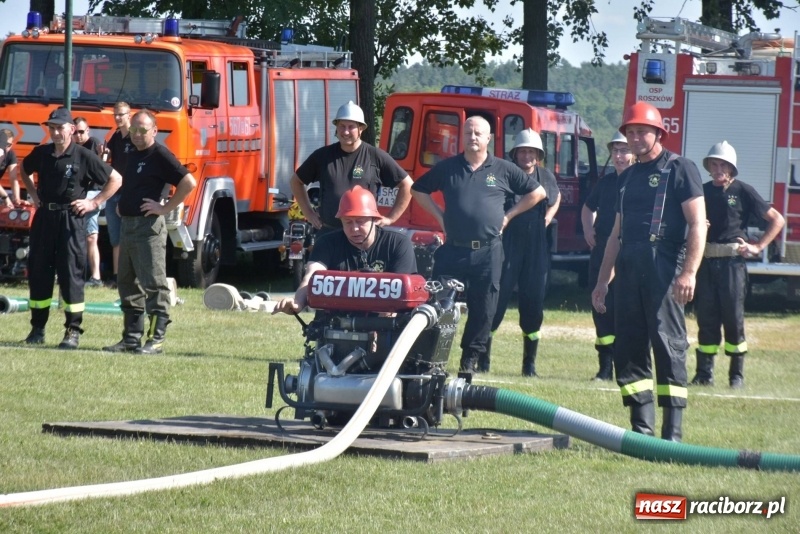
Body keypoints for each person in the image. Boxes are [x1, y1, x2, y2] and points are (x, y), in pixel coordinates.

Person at [591, 102, 706, 442]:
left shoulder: (680, 169)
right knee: (629, 346)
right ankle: (641, 428)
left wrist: (689, 273)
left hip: (664, 266)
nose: (636, 137)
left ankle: (672, 433)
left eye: (642, 131)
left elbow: (698, 222)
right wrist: (601, 281)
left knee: (668, 346)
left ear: (658, 133)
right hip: (629, 267)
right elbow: (615, 234)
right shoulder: (626, 178)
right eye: (631, 132)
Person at [411, 116, 546, 374]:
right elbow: (418, 190)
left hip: (488, 251)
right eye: (468, 133)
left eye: (478, 133)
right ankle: (429, 360)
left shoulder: (503, 169)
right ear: (462, 137)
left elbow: (538, 193)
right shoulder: (448, 167)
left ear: (488, 139)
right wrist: (440, 217)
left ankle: (469, 362)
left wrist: (508, 216)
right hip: (453, 250)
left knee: (484, 310)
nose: (472, 137)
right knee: (438, 306)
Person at [19, 107, 122, 349]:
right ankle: (37, 329)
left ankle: (72, 331)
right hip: (45, 218)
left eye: (60, 128)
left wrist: (94, 202)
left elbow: (116, 178)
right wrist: (33, 195)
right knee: (40, 273)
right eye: (52, 128)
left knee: (71, 275)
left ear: (71, 129)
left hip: (71, 219)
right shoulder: (42, 153)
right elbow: (23, 169)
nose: (55, 132)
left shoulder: (83, 155)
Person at [691, 141, 785, 388]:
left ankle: (736, 377)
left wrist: (758, 246)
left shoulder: (743, 191)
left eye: (723, 164)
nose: (718, 168)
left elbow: (777, 220)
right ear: (708, 167)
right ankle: (704, 375)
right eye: (714, 164)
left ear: (731, 168)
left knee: (733, 319)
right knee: (707, 318)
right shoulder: (701, 192)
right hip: (707, 263)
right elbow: (688, 221)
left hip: (733, 264)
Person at [103, 109, 196, 354]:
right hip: (129, 226)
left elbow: (189, 182)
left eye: (142, 129)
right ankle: (131, 338)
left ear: (154, 130)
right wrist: (124, 205)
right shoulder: (131, 154)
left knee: (154, 284)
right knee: (126, 282)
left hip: (148, 227)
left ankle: (156, 340)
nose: (136, 134)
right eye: (133, 129)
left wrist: (165, 207)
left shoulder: (160, 154)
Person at [274, 185, 417, 314]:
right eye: (348, 222)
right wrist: (298, 302)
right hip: (336, 322)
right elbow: (311, 276)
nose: (354, 228)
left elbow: (400, 294)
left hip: (384, 323)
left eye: (360, 221)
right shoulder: (326, 243)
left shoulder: (397, 244)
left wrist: (378, 333)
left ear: (374, 219)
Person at [486, 128, 559, 376]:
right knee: (496, 300)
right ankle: (483, 360)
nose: (527, 156)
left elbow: (555, 196)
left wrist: (548, 217)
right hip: (506, 244)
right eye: (523, 151)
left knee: (533, 303)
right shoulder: (504, 173)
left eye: (532, 152)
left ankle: (529, 365)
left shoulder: (545, 176)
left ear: (538, 155)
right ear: (515, 154)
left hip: (536, 247)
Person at [290, 101, 413, 235]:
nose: (346, 131)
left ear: (361, 129)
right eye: (341, 126)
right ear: (336, 127)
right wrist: (309, 213)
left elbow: (407, 185)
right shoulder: (322, 156)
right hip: (328, 234)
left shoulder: (375, 156)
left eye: (351, 127)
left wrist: (390, 218)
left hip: (362, 237)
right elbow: (296, 181)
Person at [581, 131, 634, 381]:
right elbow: (587, 208)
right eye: (616, 151)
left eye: (624, 151)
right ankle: (604, 369)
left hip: (628, 254)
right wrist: (588, 228)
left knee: (626, 310)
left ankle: (627, 367)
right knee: (601, 308)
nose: (620, 156)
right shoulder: (605, 183)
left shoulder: (639, 180)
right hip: (602, 252)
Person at [103, 102, 135, 288]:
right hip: (114, 192)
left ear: (129, 115)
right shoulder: (116, 136)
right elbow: (110, 161)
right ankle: (116, 278)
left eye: (121, 114)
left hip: (128, 195)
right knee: (116, 239)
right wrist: (104, 153)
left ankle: (128, 277)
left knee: (129, 239)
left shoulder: (136, 135)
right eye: (115, 114)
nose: (117, 118)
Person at [74, 117, 106, 287]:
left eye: (81, 132)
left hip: (93, 194)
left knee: (91, 236)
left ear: (88, 131)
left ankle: (95, 277)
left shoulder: (92, 143)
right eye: (75, 132)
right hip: (80, 195)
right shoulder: (72, 148)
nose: (78, 136)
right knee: (80, 236)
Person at [0, 130, 16, 209]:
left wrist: (17, 198)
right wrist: (6, 198)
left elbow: (13, 178)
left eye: (8, 145)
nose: (6, 147)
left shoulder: (10, 155)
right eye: (4, 144)